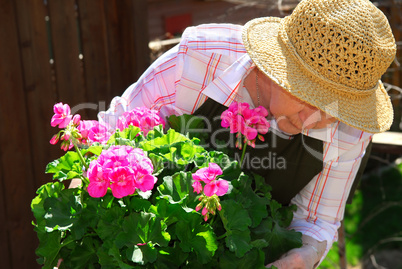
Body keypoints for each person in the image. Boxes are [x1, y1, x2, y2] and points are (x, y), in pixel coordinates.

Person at [98, 0, 397, 268]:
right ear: (276, 67)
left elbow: (316, 222)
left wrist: (304, 256)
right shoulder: (195, 62)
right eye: (308, 99)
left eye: (331, 113)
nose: (311, 121)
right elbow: (112, 140)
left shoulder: (353, 128)